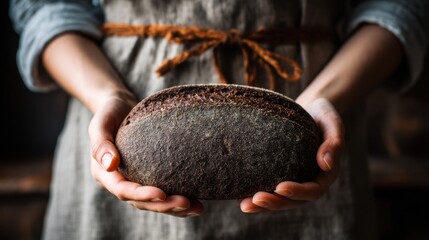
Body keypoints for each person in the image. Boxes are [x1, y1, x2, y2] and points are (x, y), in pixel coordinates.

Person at [10, 0, 429, 239]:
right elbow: (44, 7)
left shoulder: (310, 130)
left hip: (321, 119)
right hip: (113, 113)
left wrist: (325, 98)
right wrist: (108, 95)